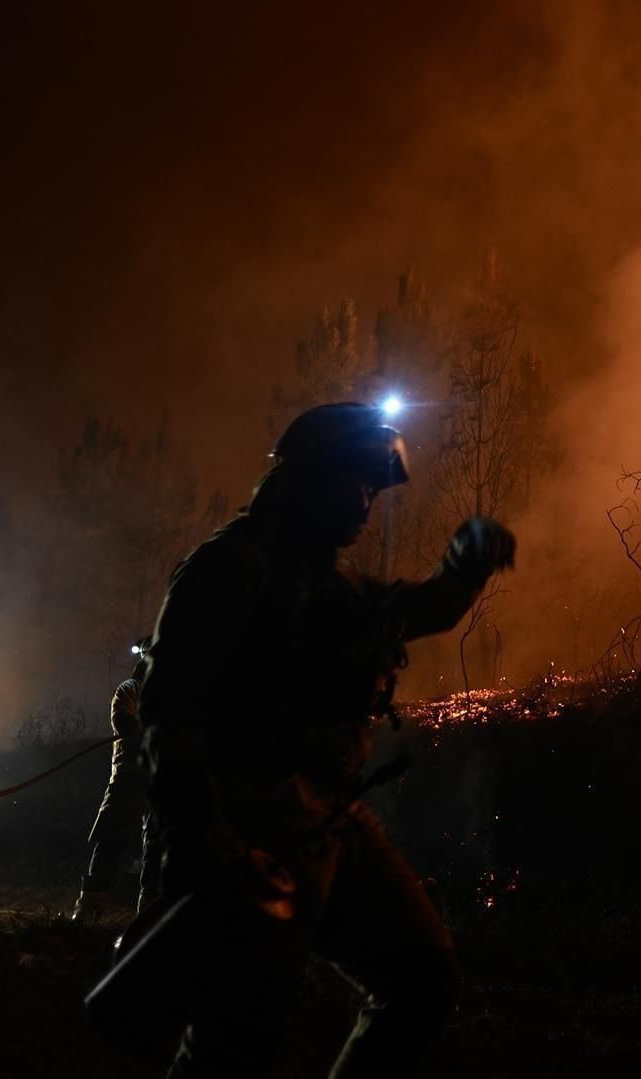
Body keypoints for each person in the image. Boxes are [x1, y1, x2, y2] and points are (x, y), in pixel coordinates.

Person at [138, 401, 515, 1077]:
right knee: (233, 1042)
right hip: (251, 828)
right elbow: (169, 716)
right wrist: (202, 840)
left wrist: (464, 570)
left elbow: (408, 610)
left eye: (375, 486)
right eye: (358, 482)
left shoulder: (329, 581)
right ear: (313, 477)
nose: (368, 501)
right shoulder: (228, 569)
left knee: (423, 978)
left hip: (329, 820)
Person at [74, 637, 161, 923]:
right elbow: (123, 721)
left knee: (157, 845)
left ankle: (149, 912)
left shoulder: (172, 692)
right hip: (128, 777)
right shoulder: (130, 689)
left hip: (158, 779)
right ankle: (90, 905)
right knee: (111, 838)